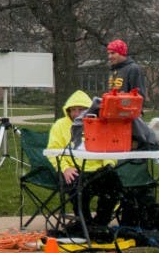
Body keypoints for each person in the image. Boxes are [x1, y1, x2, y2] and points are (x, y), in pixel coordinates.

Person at [48, 89, 121, 230]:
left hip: (96, 170)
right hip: (72, 170)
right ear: (68, 110)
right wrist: (64, 168)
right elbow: (53, 151)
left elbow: (110, 149)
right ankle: (85, 223)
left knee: (113, 183)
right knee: (79, 189)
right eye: (73, 110)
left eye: (81, 109)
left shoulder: (99, 124)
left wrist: (108, 164)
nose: (76, 113)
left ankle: (101, 222)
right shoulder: (60, 125)